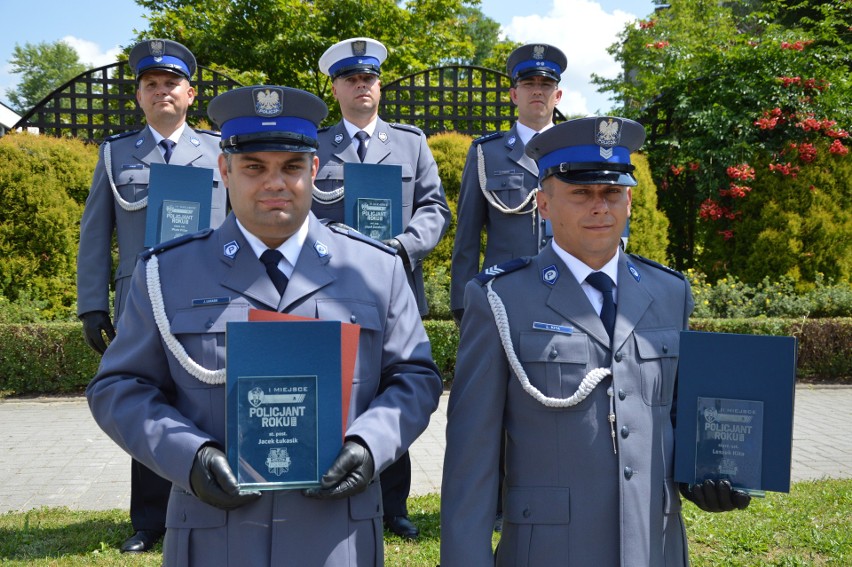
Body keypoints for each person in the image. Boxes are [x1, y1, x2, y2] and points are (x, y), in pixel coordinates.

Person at [85, 84, 443, 566]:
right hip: (216, 534)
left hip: (338, 536)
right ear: (224, 171)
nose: (275, 182)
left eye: (292, 167)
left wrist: (369, 445)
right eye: (254, 167)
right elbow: (118, 387)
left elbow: (415, 378)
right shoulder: (167, 273)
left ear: (314, 171)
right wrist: (188, 457)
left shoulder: (376, 269)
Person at [441, 116, 750, 566]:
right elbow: (472, 456)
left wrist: (710, 475)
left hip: (653, 545)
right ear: (543, 205)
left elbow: (679, 416)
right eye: (581, 193)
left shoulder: (669, 293)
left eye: (612, 193)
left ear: (629, 201)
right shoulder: (500, 299)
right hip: (549, 551)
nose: (600, 207)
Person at [76, 38, 227, 553]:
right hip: (140, 299)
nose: (161, 92)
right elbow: (95, 232)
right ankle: (149, 521)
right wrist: (92, 302)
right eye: (151, 85)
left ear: (190, 94)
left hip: (209, 299)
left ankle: (214, 497)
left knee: (207, 401)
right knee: (147, 400)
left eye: (171, 85)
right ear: (139, 96)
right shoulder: (117, 153)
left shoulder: (219, 152)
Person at [314, 37, 451, 540]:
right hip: (333, 290)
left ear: (378, 86)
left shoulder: (411, 144)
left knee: (396, 387)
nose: (362, 86)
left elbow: (435, 208)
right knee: (339, 388)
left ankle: (394, 507)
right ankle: (330, 480)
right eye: (351, 79)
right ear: (336, 88)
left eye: (369, 78)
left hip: (397, 287)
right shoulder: (316, 146)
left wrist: (401, 248)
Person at [449, 43, 566, 325]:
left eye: (546, 84)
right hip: (504, 292)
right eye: (528, 83)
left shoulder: (575, 151)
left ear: (558, 95)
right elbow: (467, 235)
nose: (537, 90)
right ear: (514, 94)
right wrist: (463, 303)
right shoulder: (487, 154)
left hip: (567, 290)